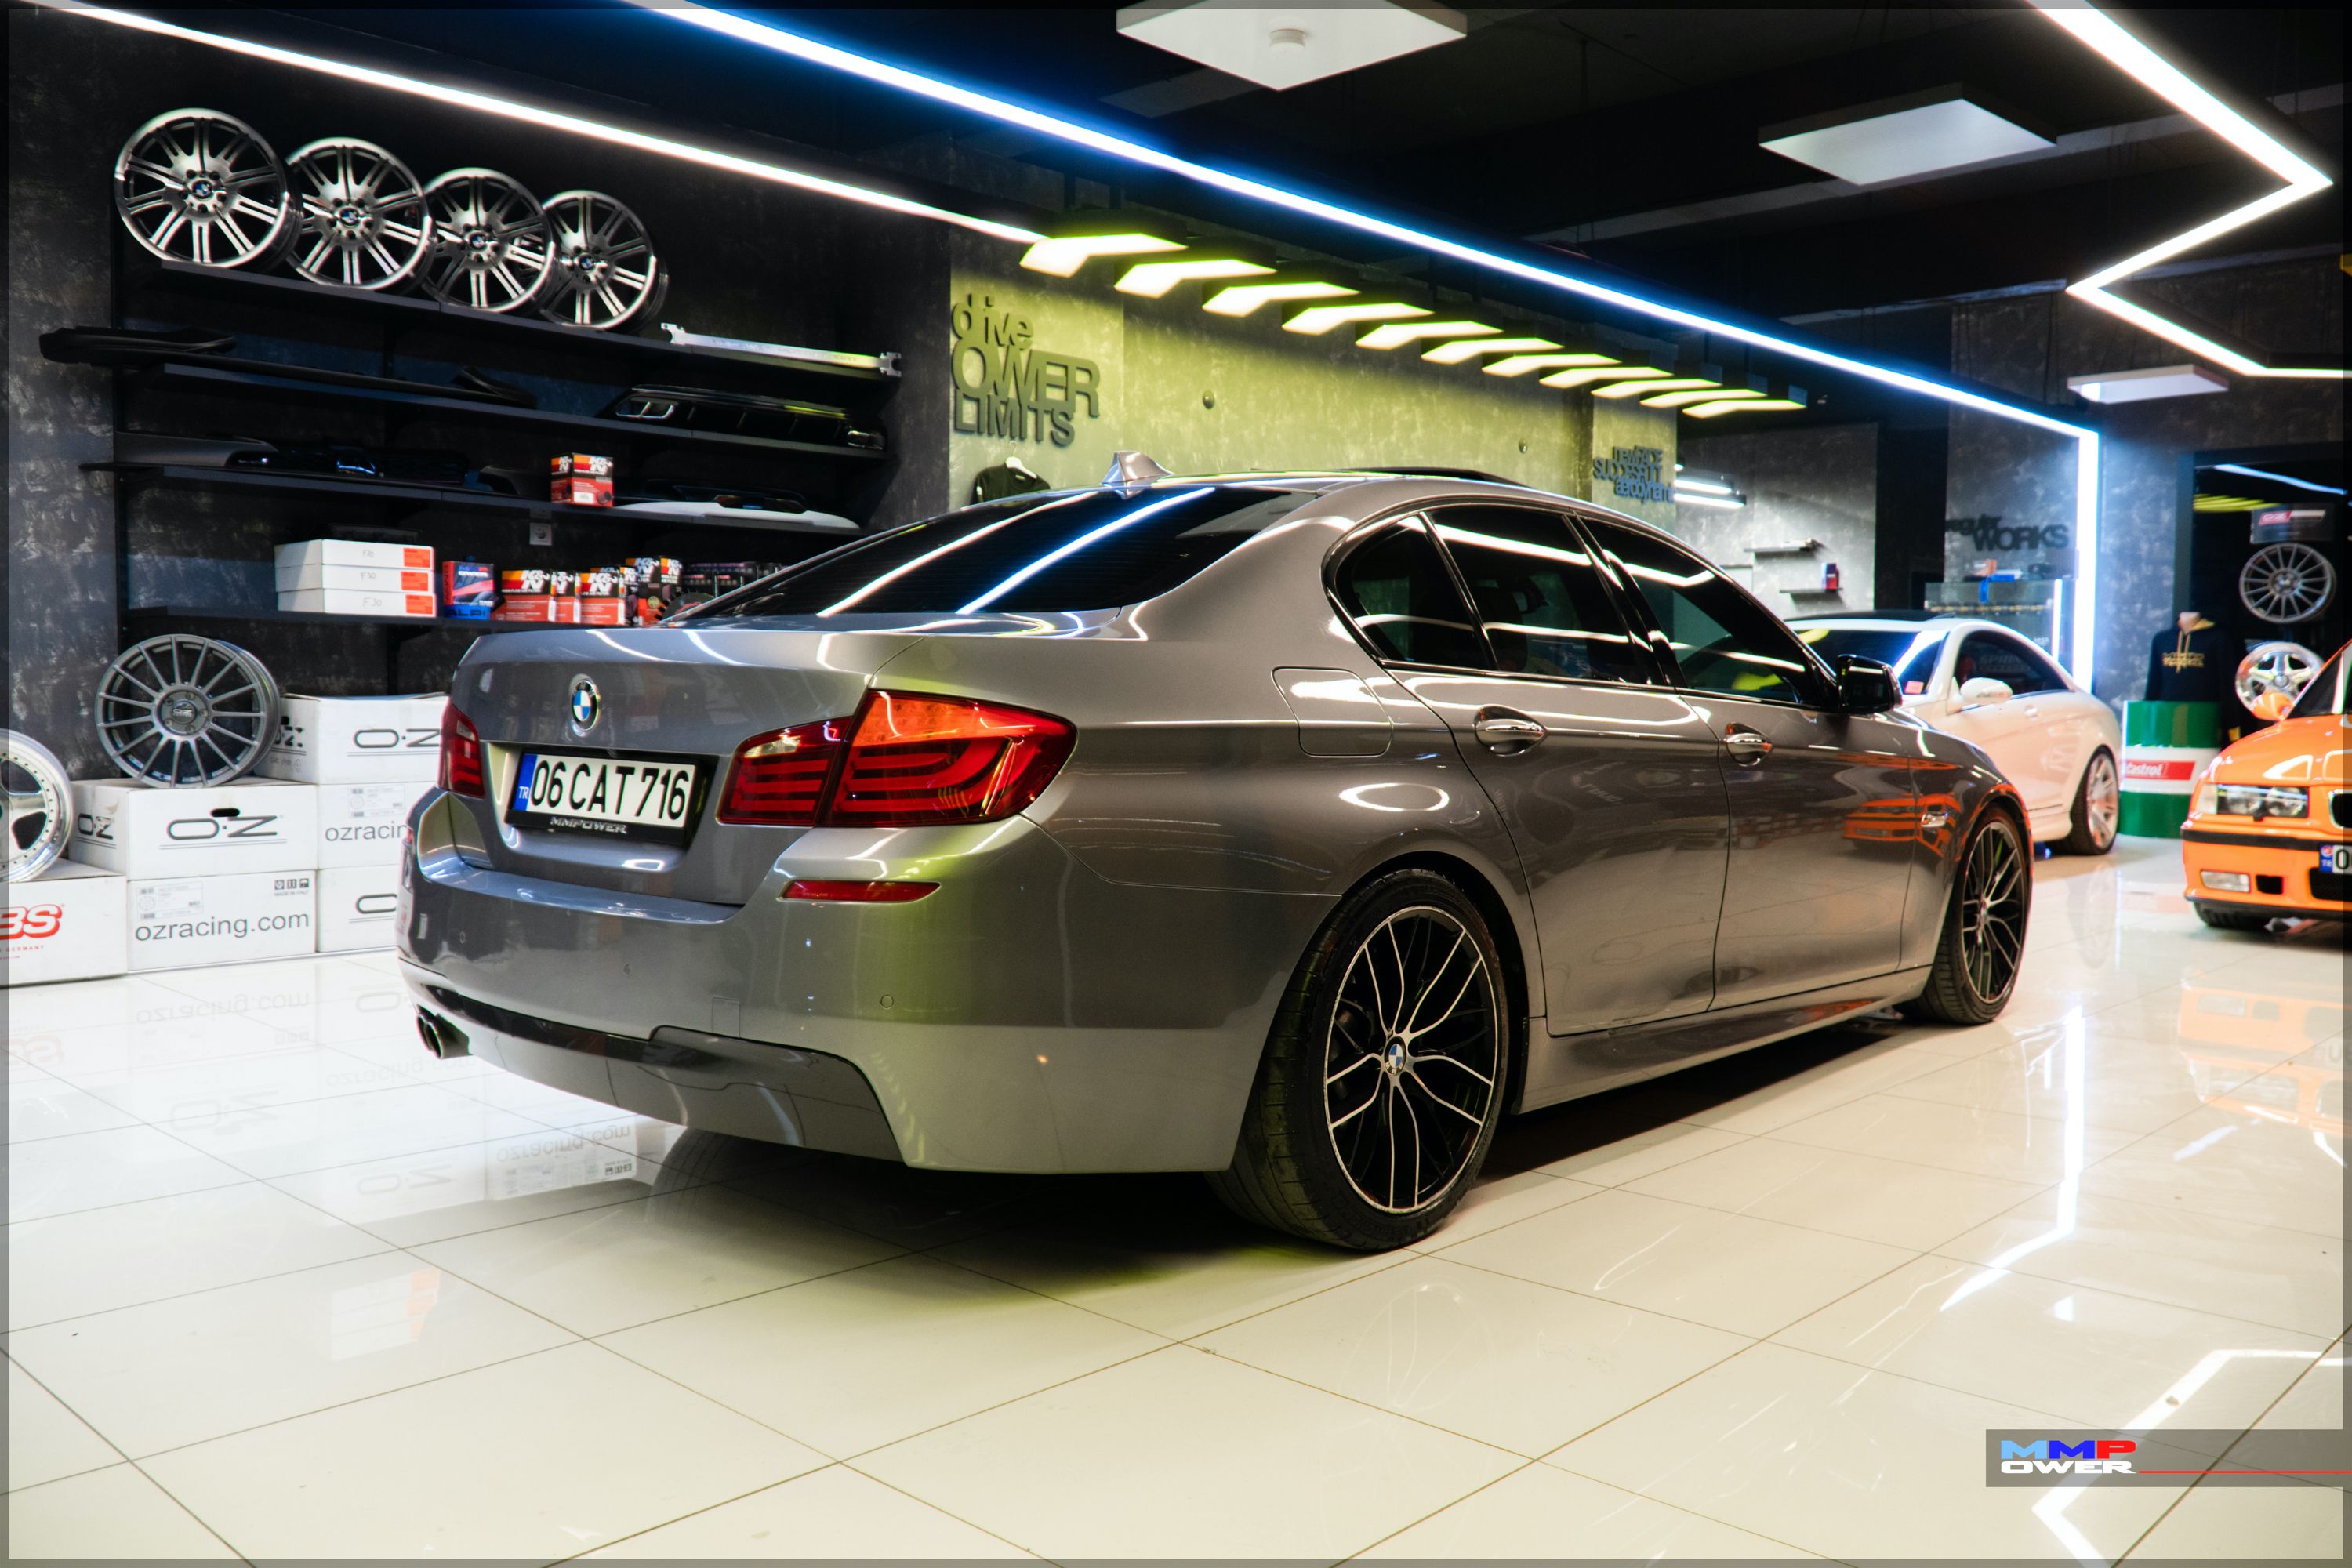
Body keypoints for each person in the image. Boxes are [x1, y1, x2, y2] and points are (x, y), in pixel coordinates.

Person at [2147, 608, 2230, 704]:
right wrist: (2148, 709)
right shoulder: (2161, 639)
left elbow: (2226, 682)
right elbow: (2154, 683)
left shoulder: (2217, 638)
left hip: (2204, 709)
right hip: (2167, 709)